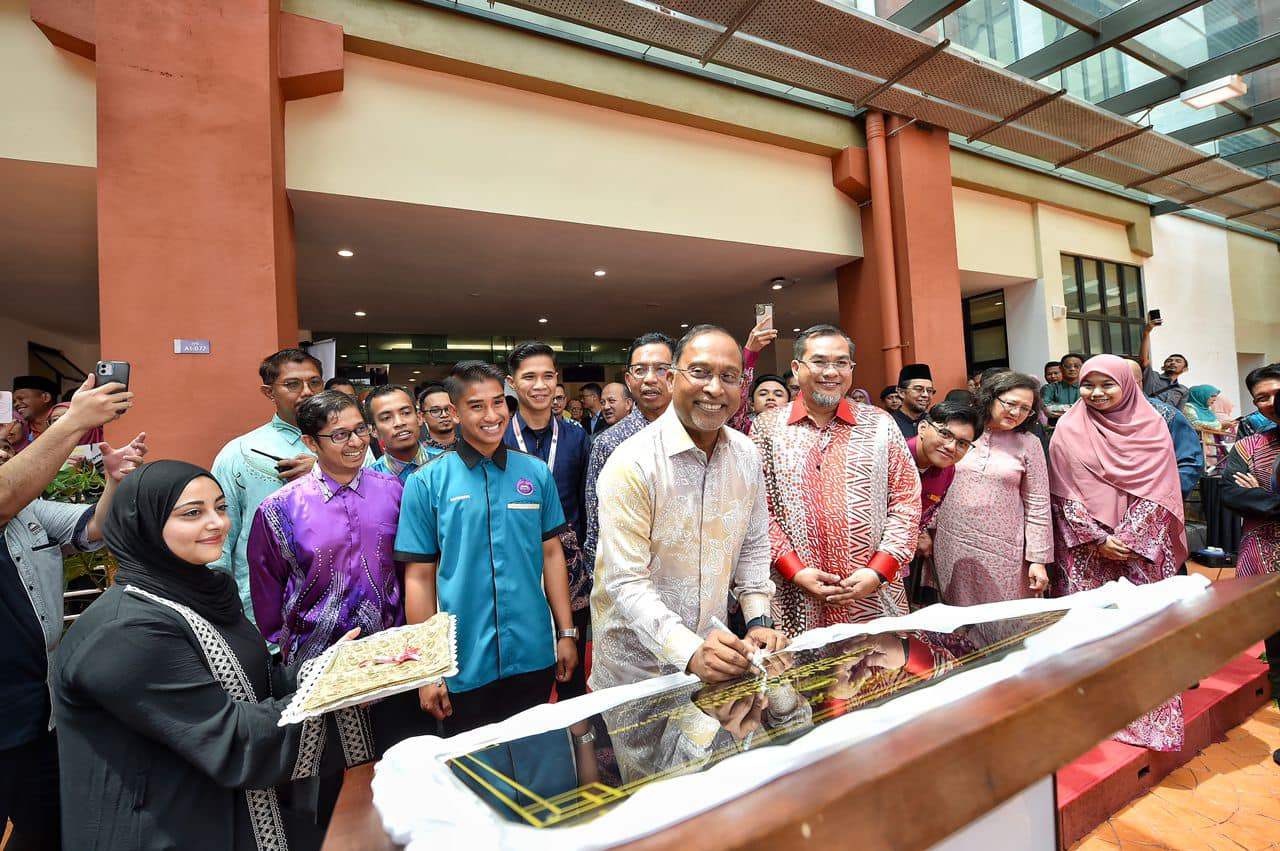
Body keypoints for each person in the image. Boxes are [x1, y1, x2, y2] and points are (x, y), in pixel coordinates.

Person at [54, 461, 372, 851]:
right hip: (163, 827)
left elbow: (252, 685)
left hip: (226, 806)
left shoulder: (201, 593)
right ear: (146, 526)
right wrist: (332, 689)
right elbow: (229, 739)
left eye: (220, 508)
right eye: (192, 513)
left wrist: (335, 668)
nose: (217, 523)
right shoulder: (126, 633)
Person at [591, 325, 787, 690]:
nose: (714, 388)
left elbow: (754, 546)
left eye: (728, 376)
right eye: (699, 372)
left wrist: (759, 620)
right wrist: (690, 652)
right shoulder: (632, 463)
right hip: (639, 669)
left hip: (716, 654)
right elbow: (627, 581)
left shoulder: (745, 454)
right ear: (671, 377)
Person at [394, 361, 577, 736]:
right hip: (463, 662)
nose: (492, 415)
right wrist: (427, 670)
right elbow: (419, 577)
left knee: (535, 758)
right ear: (456, 412)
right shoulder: (427, 482)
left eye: (499, 403)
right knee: (473, 774)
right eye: (477, 406)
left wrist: (567, 633)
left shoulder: (535, 473)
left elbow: (552, 555)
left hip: (532, 651)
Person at [1, 375, 143, 851]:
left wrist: (113, 483)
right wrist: (76, 421)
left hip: (36, 712)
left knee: (49, 830)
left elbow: (95, 528)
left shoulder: (29, 511)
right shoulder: (9, 500)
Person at [1049, 355, 1186, 751]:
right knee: (1090, 631)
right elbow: (1062, 492)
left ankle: (1146, 722)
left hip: (1139, 552)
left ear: (1127, 383)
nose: (1096, 392)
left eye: (1106, 384)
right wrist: (1095, 537)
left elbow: (1162, 489)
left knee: (1141, 630)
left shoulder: (1153, 427)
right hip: (1085, 553)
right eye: (1088, 384)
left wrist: (1128, 537)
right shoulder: (1067, 429)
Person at [753, 325, 921, 633]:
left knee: (877, 675)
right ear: (796, 367)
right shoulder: (767, 428)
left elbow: (906, 501)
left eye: (842, 363)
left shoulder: (879, 424)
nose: (831, 372)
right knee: (803, 677)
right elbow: (759, 510)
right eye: (819, 361)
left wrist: (878, 570)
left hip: (874, 594)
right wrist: (795, 571)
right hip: (796, 598)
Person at [249, 391, 404, 664]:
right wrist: (283, 640)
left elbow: (406, 567)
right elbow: (267, 584)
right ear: (310, 442)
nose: (356, 442)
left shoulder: (394, 491)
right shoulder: (281, 508)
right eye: (340, 435)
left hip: (390, 649)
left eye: (360, 430)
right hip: (315, 654)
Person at [501, 342, 592, 699]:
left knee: (572, 679)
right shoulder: (500, 439)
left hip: (569, 569)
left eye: (547, 376)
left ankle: (579, 750)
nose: (539, 385)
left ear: (558, 382)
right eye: (529, 377)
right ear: (512, 382)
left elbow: (588, 504)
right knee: (524, 681)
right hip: (516, 567)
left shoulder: (576, 437)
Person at [211, 349, 325, 625]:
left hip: (341, 599)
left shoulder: (351, 445)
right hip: (264, 603)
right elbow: (219, 531)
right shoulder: (239, 452)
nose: (307, 392)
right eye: (293, 384)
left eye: (315, 382)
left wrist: (325, 472)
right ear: (268, 392)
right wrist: (218, 600)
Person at [933, 370, 1052, 605]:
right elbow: (933, 482)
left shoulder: (1029, 443)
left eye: (1025, 408)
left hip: (1006, 552)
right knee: (958, 619)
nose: (1016, 413)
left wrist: (1038, 559)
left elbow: (1038, 504)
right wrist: (924, 531)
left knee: (1005, 618)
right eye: (1010, 404)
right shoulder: (960, 433)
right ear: (990, 397)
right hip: (953, 542)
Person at [582, 332, 674, 586]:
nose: (650, 379)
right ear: (629, 379)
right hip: (627, 580)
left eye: (661, 369)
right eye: (640, 370)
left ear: (676, 375)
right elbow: (596, 523)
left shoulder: (697, 434)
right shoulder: (609, 443)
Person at [1221, 366, 1280, 706]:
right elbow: (1232, 494)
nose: (1271, 403)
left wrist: (1262, 497)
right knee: (1278, 648)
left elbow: (1251, 498)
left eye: (1277, 394)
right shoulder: (1250, 446)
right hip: (1265, 559)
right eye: (1262, 398)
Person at [905, 401, 981, 607]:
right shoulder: (893, 457)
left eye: (963, 444)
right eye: (945, 434)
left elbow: (929, 510)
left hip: (902, 557)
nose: (951, 447)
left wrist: (919, 533)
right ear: (922, 427)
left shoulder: (948, 470)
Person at [1124, 359, 1204, 499]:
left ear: (1138, 383)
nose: (1098, 392)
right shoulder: (1086, 415)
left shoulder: (1166, 414)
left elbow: (1189, 462)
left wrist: (1163, 496)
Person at [367, 385, 433, 482]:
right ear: (374, 430)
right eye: (386, 418)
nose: (399, 422)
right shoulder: (370, 480)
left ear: (419, 417)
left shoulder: (448, 464)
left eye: (406, 413)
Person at [1139, 320, 1190, 409]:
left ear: (1185, 369)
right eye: (1169, 361)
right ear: (1163, 367)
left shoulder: (1183, 390)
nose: (1173, 362)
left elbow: (1178, 412)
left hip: (1165, 422)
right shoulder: (1152, 376)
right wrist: (1147, 332)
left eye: (1178, 361)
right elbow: (1144, 360)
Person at [10, 376, 59, 453]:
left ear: (45, 397)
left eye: (21, 398)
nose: (16, 404)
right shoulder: (22, 435)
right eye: (14, 401)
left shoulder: (68, 422)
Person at [891, 363, 935, 440]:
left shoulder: (935, 423)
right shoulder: (889, 423)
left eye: (929, 390)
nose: (926, 395)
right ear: (901, 392)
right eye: (918, 389)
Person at [417, 381, 458, 454]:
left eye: (448, 409)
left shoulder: (471, 448)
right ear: (422, 416)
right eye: (435, 410)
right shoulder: (420, 454)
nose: (444, 415)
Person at [1043, 353, 1084, 419]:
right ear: (1061, 368)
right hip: (1057, 427)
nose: (1072, 369)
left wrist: (1060, 408)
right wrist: (1081, 408)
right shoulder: (1050, 388)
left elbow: (1094, 409)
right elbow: (1048, 410)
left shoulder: (1088, 388)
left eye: (1076, 366)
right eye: (1068, 366)